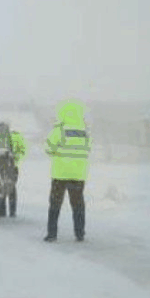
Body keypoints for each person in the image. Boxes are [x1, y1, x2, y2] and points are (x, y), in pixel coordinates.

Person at [44, 100, 91, 242]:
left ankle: (52, 234)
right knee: (78, 204)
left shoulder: (59, 130)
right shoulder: (84, 132)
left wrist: (58, 155)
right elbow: (87, 150)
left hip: (60, 174)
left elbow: (48, 148)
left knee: (55, 204)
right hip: (78, 175)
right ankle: (80, 233)